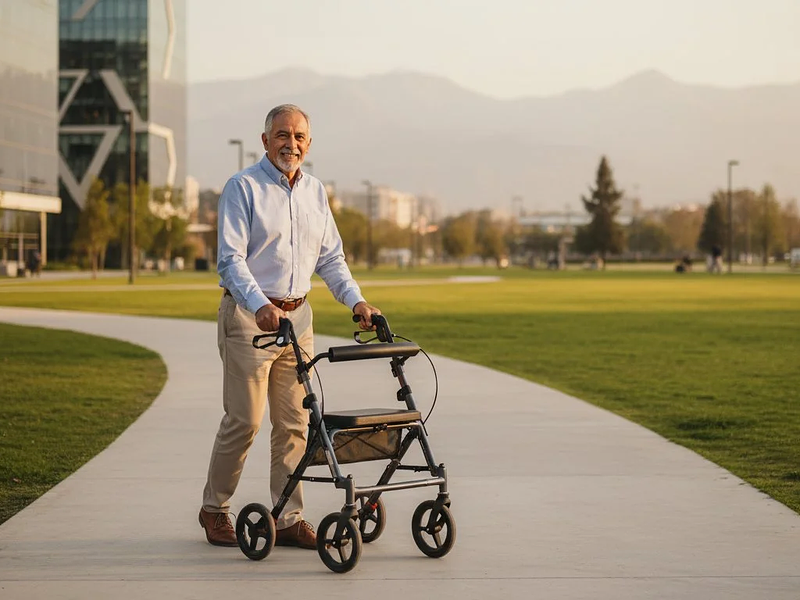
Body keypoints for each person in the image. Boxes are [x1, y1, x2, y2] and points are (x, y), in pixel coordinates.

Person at [199, 104, 380, 549]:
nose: (291, 144)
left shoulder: (315, 192)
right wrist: (259, 304)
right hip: (250, 318)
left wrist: (356, 301)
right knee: (245, 420)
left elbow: (331, 258)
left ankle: (287, 517)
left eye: (299, 137)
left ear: (309, 144)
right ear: (265, 141)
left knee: (296, 423)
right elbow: (230, 260)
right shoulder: (243, 187)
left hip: (298, 319)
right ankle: (214, 509)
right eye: (282, 135)